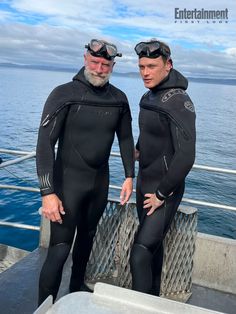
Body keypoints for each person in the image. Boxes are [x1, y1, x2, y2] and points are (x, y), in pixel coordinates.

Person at [36, 39, 135, 305]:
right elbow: (45, 144)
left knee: (87, 242)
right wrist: (48, 193)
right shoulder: (63, 94)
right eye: (95, 62)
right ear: (84, 59)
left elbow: (125, 139)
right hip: (67, 185)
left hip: (99, 184)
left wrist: (129, 176)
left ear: (112, 65)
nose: (100, 68)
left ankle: (76, 291)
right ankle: (44, 308)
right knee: (59, 250)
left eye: (106, 64)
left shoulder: (119, 99)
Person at [130, 39, 196, 296]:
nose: (145, 72)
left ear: (168, 65)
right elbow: (148, 134)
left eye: (151, 66)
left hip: (163, 192)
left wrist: (161, 194)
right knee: (152, 250)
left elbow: (186, 155)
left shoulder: (179, 101)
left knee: (139, 253)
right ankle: (153, 301)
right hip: (143, 184)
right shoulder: (148, 95)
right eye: (141, 66)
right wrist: (136, 150)